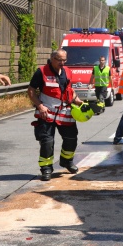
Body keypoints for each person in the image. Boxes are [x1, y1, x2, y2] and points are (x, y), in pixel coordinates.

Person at [27, 49, 85, 181]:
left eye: (64, 60)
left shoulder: (67, 71)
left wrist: (78, 101)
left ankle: (67, 161)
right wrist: (40, 106)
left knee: (71, 139)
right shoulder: (41, 71)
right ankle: (46, 169)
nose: (62, 63)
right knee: (47, 142)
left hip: (65, 113)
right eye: (59, 60)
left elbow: (70, 90)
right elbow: (31, 91)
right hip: (47, 113)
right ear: (52, 58)